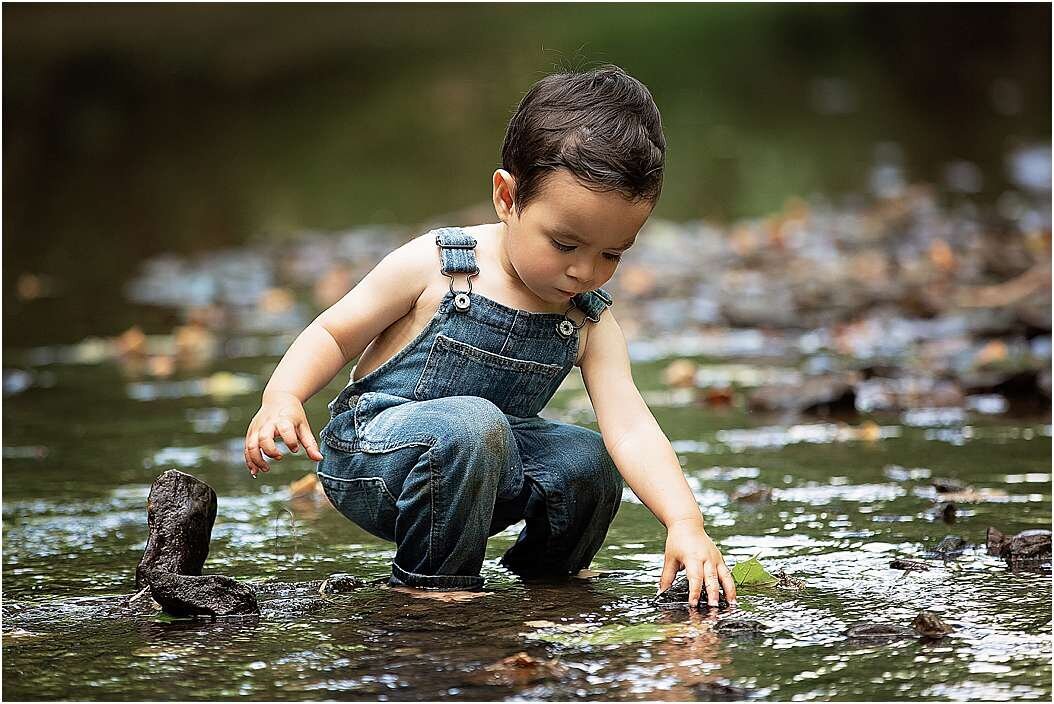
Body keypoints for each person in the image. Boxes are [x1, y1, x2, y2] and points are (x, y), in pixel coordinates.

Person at [243, 64, 737, 608]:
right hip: (375, 458)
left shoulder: (587, 318)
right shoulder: (440, 264)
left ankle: (547, 589)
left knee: (590, 458)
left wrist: (685, 521)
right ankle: (432, 595)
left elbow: (633, 430)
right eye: (565, 244)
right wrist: (282, 397)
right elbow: (335, 333)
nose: (584, 272)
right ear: (507, 197)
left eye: (612, 253)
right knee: (474, 422)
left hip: (486, 475)